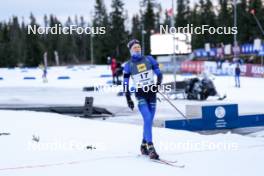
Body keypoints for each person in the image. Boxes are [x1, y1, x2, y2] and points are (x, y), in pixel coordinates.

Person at [123, 39, 163, 160]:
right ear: (130, 50)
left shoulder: (149, 59)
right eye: (135, 47)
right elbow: (125, 83)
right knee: (147, 118)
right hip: (140, 95)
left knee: (149, 121)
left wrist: (157, 84)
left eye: (139, 47)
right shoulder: (128, 65)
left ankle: (143, 145)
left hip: (152, 94)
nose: (137, 49)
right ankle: (151, 147)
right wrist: (128, 98)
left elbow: (159, 74)